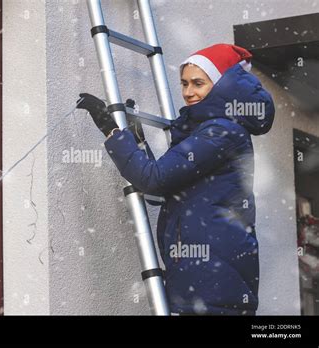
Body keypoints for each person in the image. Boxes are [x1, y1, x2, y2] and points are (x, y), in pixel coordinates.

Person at [76, 44, 275, 315]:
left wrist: (112, 131)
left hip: (211, 281)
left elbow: (153, 180)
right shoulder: (211, 129)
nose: (188, 92)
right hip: (209, 277)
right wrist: (137, 142)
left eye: (198, 83)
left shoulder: (221, 131)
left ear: (222, 86)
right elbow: (161, 191)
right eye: (184, 83)